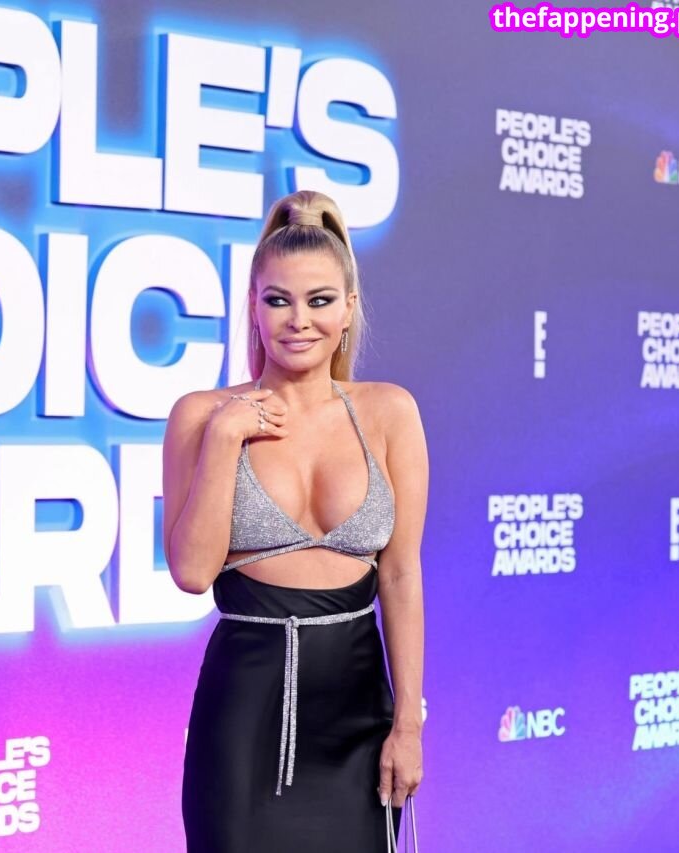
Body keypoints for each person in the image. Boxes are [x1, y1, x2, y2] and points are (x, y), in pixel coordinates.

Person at [163, 190, 426, 851]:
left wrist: (408, 726)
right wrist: (226, 437)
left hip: (358, 715)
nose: (299, 320)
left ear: (349, 308)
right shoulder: (201, 415)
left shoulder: (390, 412)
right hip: (243, 720)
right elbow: (192, 572)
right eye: (278, 300)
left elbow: (399, 576)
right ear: (253, 306)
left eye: (320, 300)